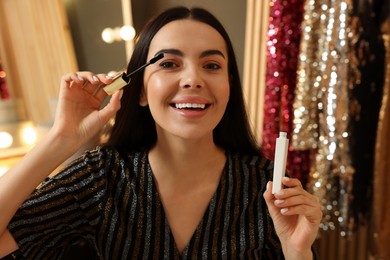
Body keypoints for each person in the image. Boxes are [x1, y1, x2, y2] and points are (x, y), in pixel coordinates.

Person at [0, 6, 322, 259]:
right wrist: (60, 140)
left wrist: (298, 254)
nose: (193, 79)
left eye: (211, 65)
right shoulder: (101, 178)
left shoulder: (267, 188)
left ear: (228, 88)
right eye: (168, 64)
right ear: (139, 91)